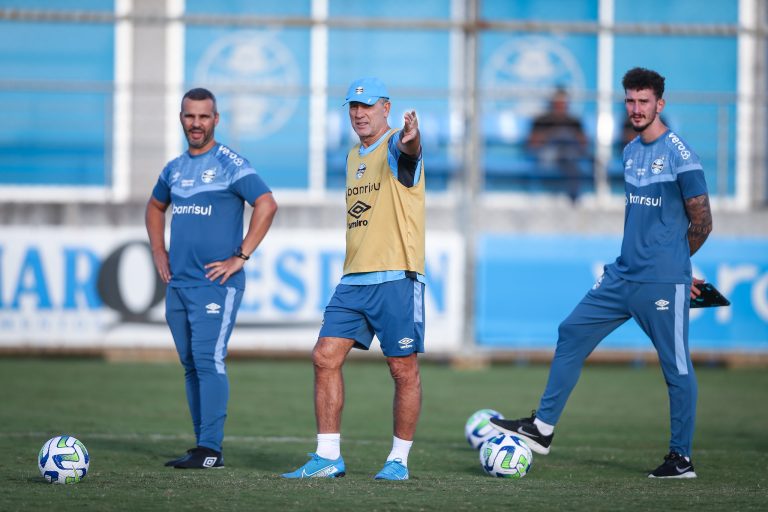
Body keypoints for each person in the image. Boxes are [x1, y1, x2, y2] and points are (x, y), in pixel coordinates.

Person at [491, 68, 713, 479]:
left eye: (644, 101)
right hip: (621, 276)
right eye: (630, 101)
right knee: (571, 331)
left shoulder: (681, 154)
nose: (636, 108)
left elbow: (702, 221)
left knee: (676, 367)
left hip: (661, 282)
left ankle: (681, 459)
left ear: (660, 104)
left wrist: (678, 268)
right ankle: (542, 429)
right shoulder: (629, 151)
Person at [281, 77, 425, 481]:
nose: (359, 113)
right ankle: (328, 456)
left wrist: (412, 137)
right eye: (352, 107)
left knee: (402, 369)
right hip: (354, 279)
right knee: (324, 356)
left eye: (367, 106)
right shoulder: (351, 156)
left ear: (386, 108)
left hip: (396, 276)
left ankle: (398, 460)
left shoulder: (397, 144)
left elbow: (409, 150)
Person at [145, 87, 278, 469]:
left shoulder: (230, 162)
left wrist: (241, 256)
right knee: (191, 364)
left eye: (204, 116)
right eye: (190, 116)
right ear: (181, 117)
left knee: (209, 359)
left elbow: (266, 203)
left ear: (216, 119)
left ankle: (210, 450)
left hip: (216, 284)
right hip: (179, 284)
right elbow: (155, 207)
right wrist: (158, 249)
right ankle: (202, 444)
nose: (196, 123)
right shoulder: (173, 168)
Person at [527, 87, 589, 201]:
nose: (560, 105)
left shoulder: (574, 121)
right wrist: (551, 134)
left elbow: (583, 144)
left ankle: (573, 197)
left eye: (563, 102)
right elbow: (532, 144)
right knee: (562, 136)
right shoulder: (542, 120)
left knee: (568, 147)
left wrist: (571, 135)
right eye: (557, 102)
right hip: (549, 156)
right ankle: (574, 198)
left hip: (569, 156)